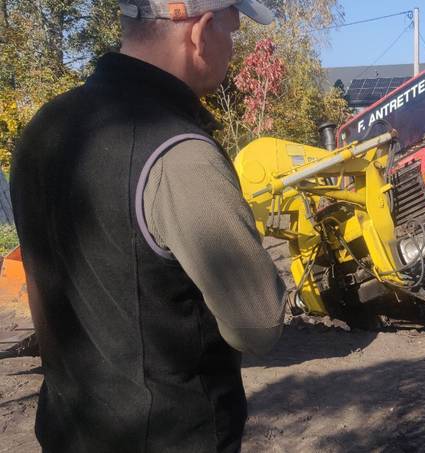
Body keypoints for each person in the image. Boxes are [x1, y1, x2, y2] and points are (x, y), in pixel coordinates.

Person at [10, 0, 287, 451]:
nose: (234, 47)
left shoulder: (44, 128)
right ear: (200, 32)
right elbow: (257, 323)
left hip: (66, 432)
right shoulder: (182, 156)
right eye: (233, 30)